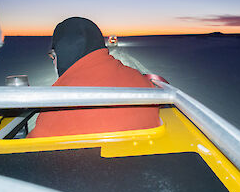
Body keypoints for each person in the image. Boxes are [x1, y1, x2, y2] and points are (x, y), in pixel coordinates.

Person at [27, 17, 160, 138]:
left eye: (53, 56)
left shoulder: (58, 107)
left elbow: (31, 155)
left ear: (63, 53)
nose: (54, 62)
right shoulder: (141, 82)